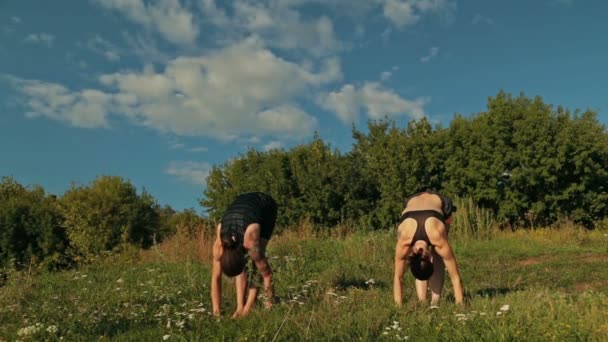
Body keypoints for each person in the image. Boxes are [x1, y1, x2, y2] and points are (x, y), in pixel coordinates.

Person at [211, 192, 278, 318]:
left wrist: (268, 303)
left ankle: (248, 306)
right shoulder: (220, 245)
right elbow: (216, 278)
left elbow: (266, 274)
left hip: (265, 205)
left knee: (256, 261)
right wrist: (216, 313)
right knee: (246, 266)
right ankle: (239, 307)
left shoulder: (250, 240)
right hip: (240, 205)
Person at [393, 191, 464, 306]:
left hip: (439, 201)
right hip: (413, 201)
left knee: (438, 253)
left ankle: (434, 303)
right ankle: (423, 302)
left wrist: (398, 307)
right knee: (437, 255)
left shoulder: (405, 242)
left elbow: (398, 277)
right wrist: (460, 304)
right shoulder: (407, 241)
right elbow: (455, 277)